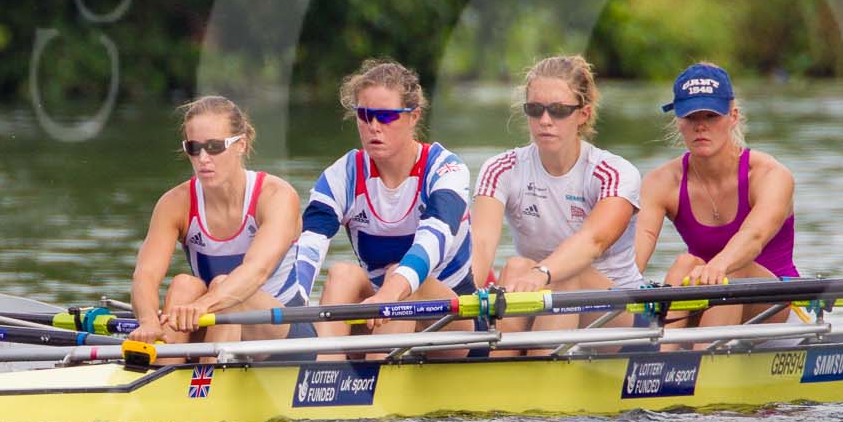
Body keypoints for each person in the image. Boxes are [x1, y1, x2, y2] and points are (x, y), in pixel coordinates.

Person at [287, 58, 474, 340]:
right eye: (364, 115)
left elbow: (433, 238)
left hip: (453, 321)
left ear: (413, 116)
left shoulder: (446, 170)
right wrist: (295, 305)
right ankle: (320, 372)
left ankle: (379, 369)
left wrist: (388, 295)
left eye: (386, 116)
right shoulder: (343, 175)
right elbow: (309, 246)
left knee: (402, 277)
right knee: (341, 274)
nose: (374, 126)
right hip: (380, 312)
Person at [469, 55, 643, 332]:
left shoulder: (614, 172)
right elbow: (481, 245)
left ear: (583, 114)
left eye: (559, 110)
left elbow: (593, 242)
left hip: (621, 313)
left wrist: (542, 273)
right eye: (535, 109)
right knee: (514, 267)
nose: (545, 120)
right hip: (543, 296)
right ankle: (502, 361)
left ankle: (537, 362)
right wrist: (466, 302)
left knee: (564, 278)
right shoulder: (500, 169)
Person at [633, 62, 799, 329]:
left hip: (780, 311)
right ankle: (661, 359)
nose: (701, 126)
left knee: (735, 271)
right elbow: (636, 252)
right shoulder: (659, 182)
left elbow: (753, 237)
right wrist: (618, 291)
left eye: (711, 116)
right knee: (685, 263)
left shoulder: (769, 175)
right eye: (690, 117)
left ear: (732, 116)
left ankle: (701, 363)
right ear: (678, 120)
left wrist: (720, 265)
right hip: (710, 298)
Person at [129, 96, 301, 345]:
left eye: (214, 147)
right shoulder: (175, 203)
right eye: (194, 148)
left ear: (241, 144)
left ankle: (204, 374)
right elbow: (145, 276)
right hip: (214, 318)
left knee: (223, 287)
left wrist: (203, 305)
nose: (203, 158)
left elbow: (257, 272)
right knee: (183, 285)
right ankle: (161, 360)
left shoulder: (276, 195)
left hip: (284, 331)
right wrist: (147, 321)